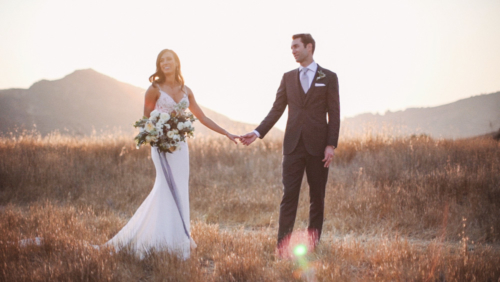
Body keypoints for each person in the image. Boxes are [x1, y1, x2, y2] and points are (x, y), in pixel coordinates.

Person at [104, 49, 239, 259]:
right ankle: (159, 241)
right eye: (162, 60)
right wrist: (157, 136)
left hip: (180, 146)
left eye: (169, 59)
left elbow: (202, 117)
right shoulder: (154, 89)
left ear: (177, 63)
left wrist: (226, 133)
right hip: (160, 146)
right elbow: (145, 120)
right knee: (165, 187)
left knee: (180, 188)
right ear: (159, 65)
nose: (166, 62)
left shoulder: (187, 90)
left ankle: (178, 241)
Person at [240, 34, 340, 255]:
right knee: (288, 197)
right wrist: (257, 132)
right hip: (293, 146)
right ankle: (282, 246)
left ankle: (313, 245)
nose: (292, 50)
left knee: (317, 198)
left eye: (296, 46)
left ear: (309, 47)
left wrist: (331, 145)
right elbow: (277, 109)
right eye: (291, 47)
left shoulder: (329, 77)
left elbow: (334, 113)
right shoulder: (287, 77)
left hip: (318, 147)